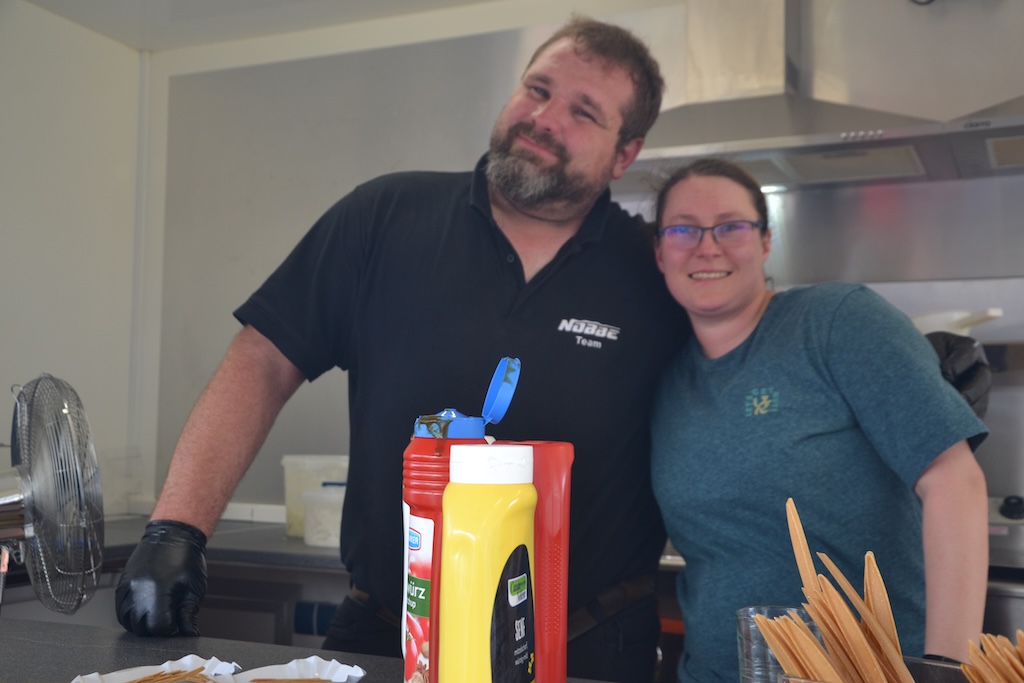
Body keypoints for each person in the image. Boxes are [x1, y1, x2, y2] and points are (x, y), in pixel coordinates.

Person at [114, 16, 691, 683]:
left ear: (625, 154)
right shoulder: (384, 217)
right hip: (386, 633)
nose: (543, 118)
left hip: (584, 648)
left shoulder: (657, 274)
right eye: (537, 89)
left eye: (583, 112)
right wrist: (175, 530)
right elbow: (263, 359)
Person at [647, 158, 990, 683]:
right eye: (683, 229)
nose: (707, 246)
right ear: (659, 252)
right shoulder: (666, 382)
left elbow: (954, 480)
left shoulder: (836, 321)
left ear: (765, 241)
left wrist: (945, 672)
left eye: (731, 226)